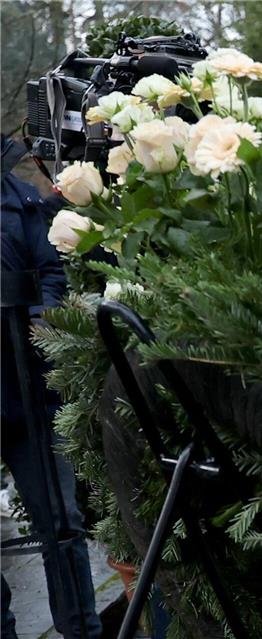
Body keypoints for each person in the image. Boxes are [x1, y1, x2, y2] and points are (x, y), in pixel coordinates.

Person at [1, 136, 102, 639]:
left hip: (29, 392)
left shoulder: (17, 200)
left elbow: (50, 271)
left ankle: (81, 630)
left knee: (62, 524)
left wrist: (41, 318)